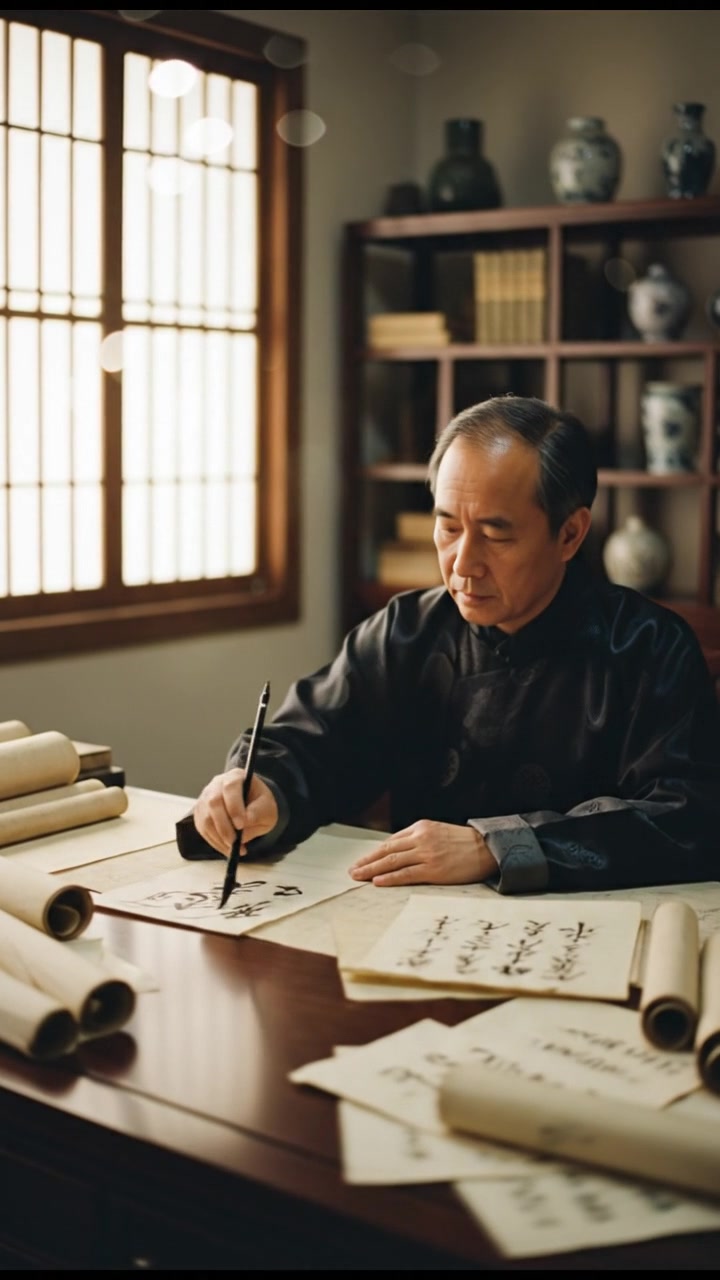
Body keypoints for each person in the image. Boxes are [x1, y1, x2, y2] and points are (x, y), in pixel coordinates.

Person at [176, 394, 720, 894]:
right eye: (448, 527)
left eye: (496, 533)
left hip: (589, 937)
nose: (462, 563)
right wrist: (262, 789)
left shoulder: (649, 648)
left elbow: (685, 817)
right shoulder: (407, 631)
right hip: (419, 928)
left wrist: (497, 846)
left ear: (570, 534)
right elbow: (317, 741)